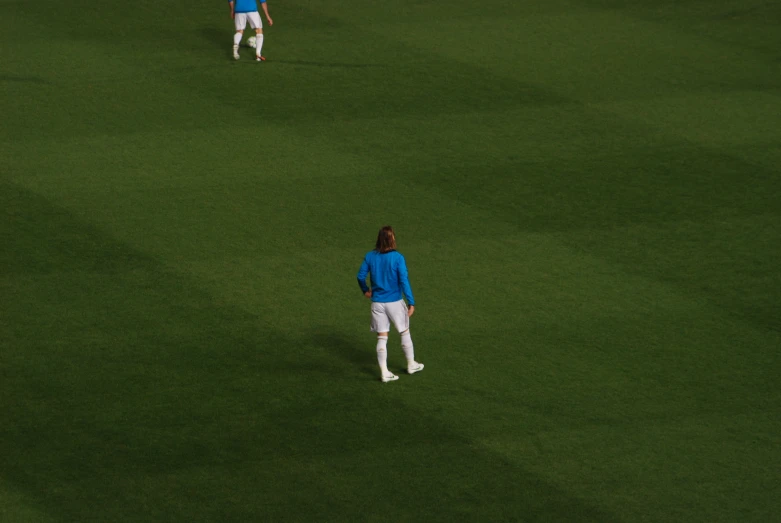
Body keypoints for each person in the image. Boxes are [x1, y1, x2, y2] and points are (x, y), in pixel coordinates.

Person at [357, 226, 424, 383]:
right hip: (394, 302)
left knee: (382, 336)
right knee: (404, 332)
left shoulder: (370, 256)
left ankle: (385, 372)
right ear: (391, 239)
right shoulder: (398, 258)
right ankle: (411, 364)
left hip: (377, 304)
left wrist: (365, 290)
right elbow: (404, 280)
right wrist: (411, 302)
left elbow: (360, 276)